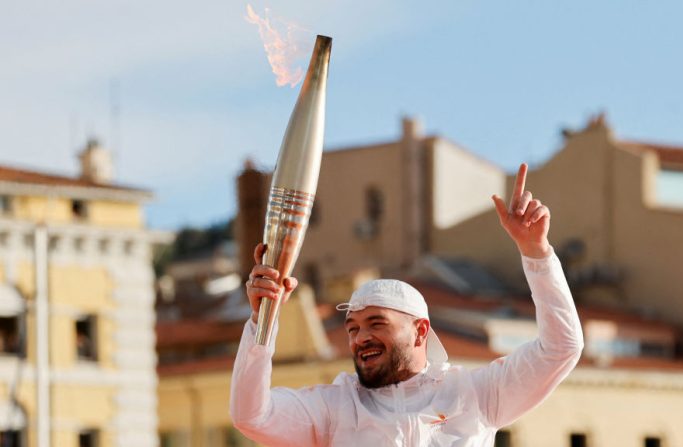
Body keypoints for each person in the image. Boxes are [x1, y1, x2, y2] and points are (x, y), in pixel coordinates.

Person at [230, 163, 584, 446]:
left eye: (376, 323)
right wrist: (265, 320)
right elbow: (252, 416)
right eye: (352, 328)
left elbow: (562, 347)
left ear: (420, 331)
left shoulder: (476, 394)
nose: (359, 337)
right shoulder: (332, 409)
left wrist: (537, 254)